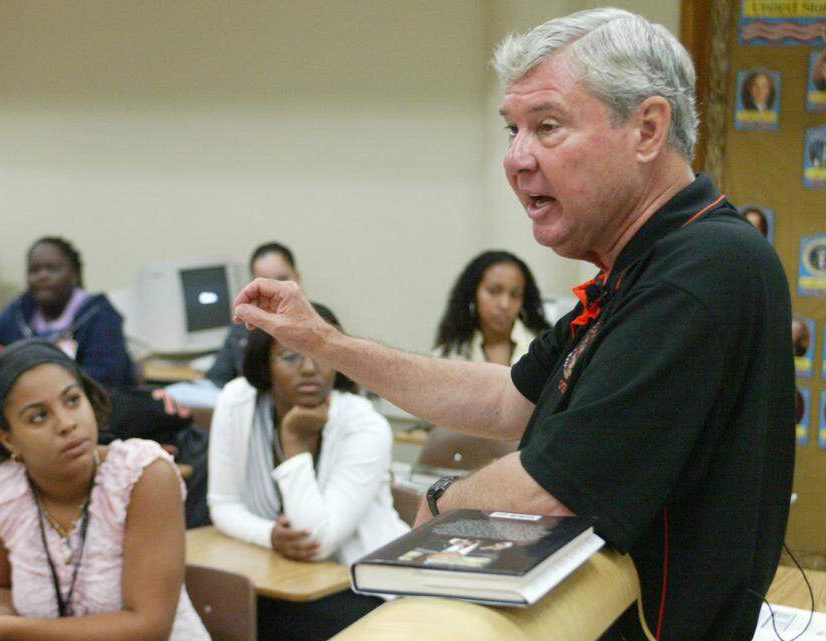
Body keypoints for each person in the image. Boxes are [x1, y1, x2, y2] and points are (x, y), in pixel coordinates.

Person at [231, 9, 792, 641]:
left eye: (546, 127)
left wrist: (443, 504)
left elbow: (552, 488)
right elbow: (505, 398)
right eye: (512, 130)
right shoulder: (636, 266)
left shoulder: (700, 269)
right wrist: (323, 342)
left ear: (647, 129)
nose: (516, 159)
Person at [0, 339, 210, 641]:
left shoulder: (144, 477)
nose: (66, 424)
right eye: (39, 416)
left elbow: (148, 628)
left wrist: (8, 629)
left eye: (72, 400)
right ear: (8, 439)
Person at [208, 303, 405, 641]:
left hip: (363, 585)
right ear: (265, 365)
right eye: (291, 357)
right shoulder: (237, 402)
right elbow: (222, 503)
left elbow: (317, 540)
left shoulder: (366, 425)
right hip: (278, 576)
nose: (310, 369)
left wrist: (294, 440)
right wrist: (269, 534)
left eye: (323, 355)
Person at [0, 237, 135, 388]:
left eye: (53, 269)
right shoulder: (17, 314)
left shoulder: (99, 316)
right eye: (34, 270)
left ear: (74, 274)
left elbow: (105, 377)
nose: (43, 276)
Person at [206, 242, 302, 388]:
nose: (275, 289)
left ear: (297, 278)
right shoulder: (242, 328)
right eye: (265, 282)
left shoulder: (318, 324)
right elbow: (216, 380)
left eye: (282, 279)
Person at [433, 250, 550, 366]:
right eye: (494, 291)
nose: (505, 304)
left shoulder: (544, 348)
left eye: (515, 295)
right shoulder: (450, 353)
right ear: (473, 293)